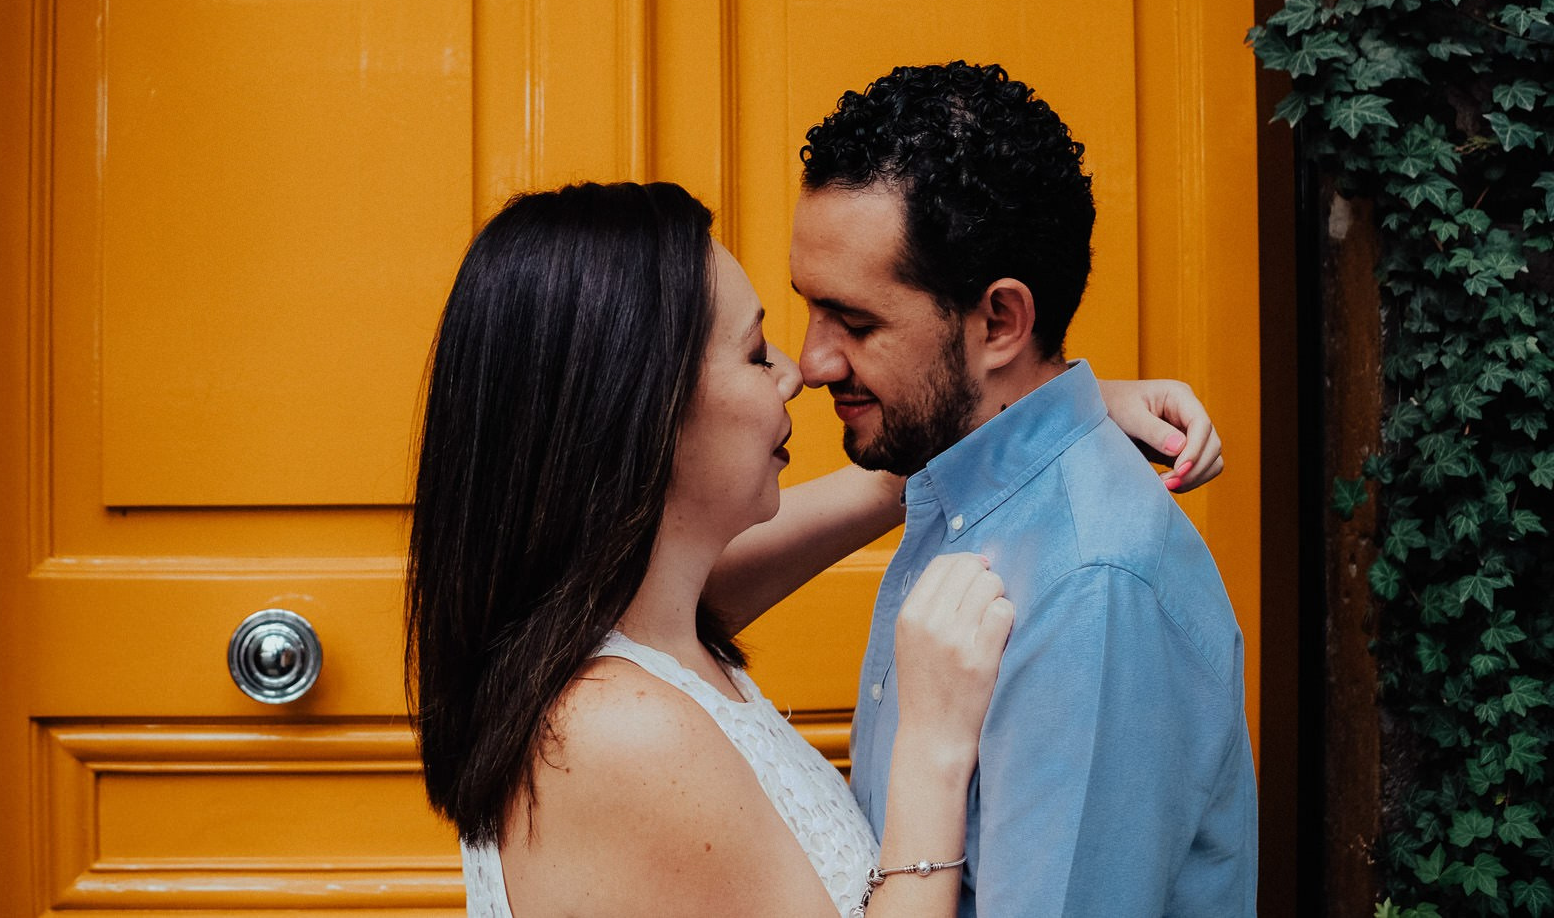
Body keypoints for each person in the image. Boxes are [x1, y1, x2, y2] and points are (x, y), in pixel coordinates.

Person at [406, 179, 1232, 918]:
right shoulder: (623, 733)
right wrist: (933, 753)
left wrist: (1029, 413)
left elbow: (880, 488)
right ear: (640, 410)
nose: (796, 369)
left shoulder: (632, 630)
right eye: (753, 349)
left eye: (853, 320)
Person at [727, 62, 1253, 917]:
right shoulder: (955, 487)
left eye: (855, 322)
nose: (812, 362)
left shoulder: (1092, 587)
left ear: (1000, 321)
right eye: (810, 308)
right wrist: (1065, 409)